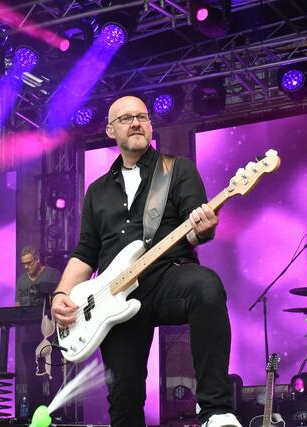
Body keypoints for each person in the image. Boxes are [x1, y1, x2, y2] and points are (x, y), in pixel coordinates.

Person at [50, 96, 238, 427]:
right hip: (113, 296)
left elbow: (195, 230)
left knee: (206, 287)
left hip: (168, 277)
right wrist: (61, 294)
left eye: (142, 117)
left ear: (150, 125)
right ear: (110, 130)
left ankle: (216, 411)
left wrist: (204, 229)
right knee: (124, 401)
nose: (136, 123)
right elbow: (86, 251)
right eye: (126, 119)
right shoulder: (97, 191)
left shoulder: (177, 169)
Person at [15, 246, 62, 418]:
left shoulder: (52, 275)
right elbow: (18, 305)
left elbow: (60, 299)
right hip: (29, 337)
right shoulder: (21, 281)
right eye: (23, 264)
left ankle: (56, 412)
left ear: (37, 259)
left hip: (50, 335)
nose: (26, 267)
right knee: (32, 375)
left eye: (29, 263)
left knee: (54, 374)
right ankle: (35, 413)